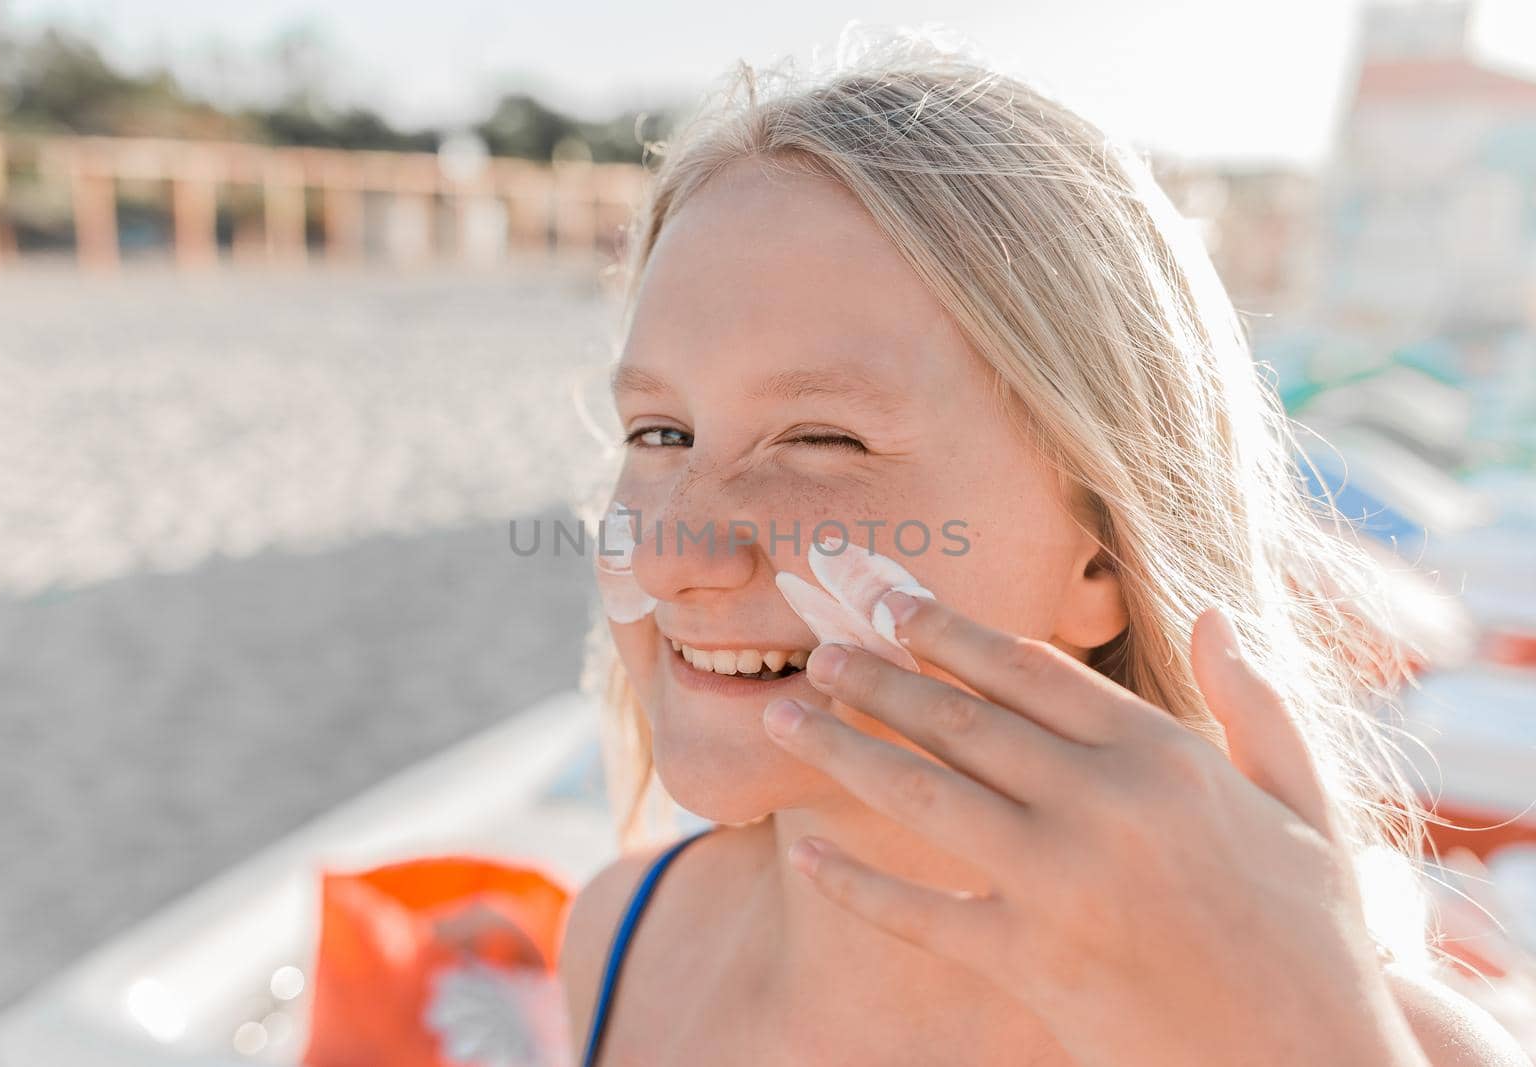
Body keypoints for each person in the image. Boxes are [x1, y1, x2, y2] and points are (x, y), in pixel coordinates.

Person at [557, 26, 1530, 1067]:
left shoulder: (1373, 1045)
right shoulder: (621, 937)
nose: (669, 554)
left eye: (822, 439)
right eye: (659, 433)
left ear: (1101, 559)